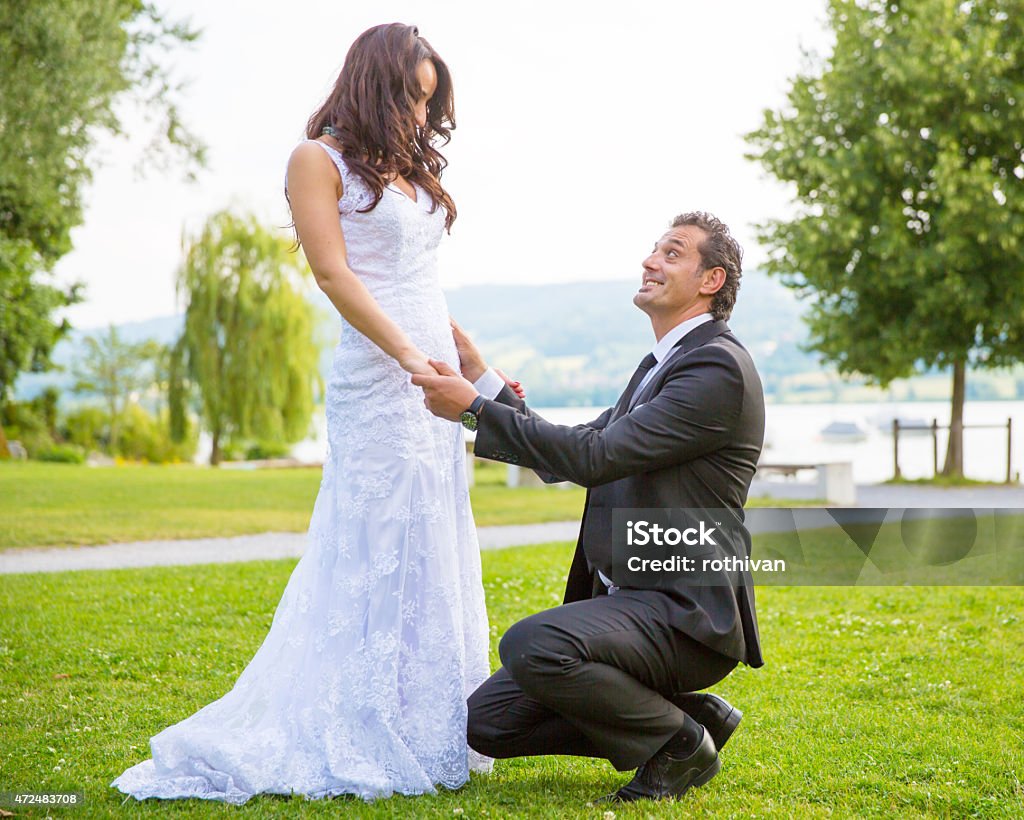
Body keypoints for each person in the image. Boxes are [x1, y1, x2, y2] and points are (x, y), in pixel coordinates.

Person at [112, 23, 499, 803]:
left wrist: (462, 352)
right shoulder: (314, 161)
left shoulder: (410, 169)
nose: (424, 116)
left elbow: (421, 278)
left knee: (433, 531)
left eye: (432, 102)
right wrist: (406, 355)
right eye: (414, 98)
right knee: (376, 538)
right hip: (380, 374)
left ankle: (428, 721)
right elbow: (334, 274)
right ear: (378, 85)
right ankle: (354, 719)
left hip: (432, 380)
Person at [412, 212, 766, 804]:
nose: (650, 260)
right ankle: (688, 714)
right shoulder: (662, 366)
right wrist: (485, 381)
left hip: (685, 614)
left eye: (672, 253)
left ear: (712, 280)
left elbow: (596, 456)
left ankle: (676, 741)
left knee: (533, 644)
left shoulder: (716, 368)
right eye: (653, 249)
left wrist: (475, 409)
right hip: (635, 606)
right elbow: (573, 451)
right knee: (488, 723)